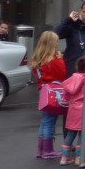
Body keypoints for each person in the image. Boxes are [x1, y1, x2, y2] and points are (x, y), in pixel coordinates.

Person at [29, 31, 66, 160]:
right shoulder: (53, 60)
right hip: (53, 91)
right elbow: (62, 74)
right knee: (50, 120)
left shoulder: (37, 59)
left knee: (44, 120)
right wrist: (61, 59)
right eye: (55, 42)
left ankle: (41, 149)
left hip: (43, 89)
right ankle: (48, 150)